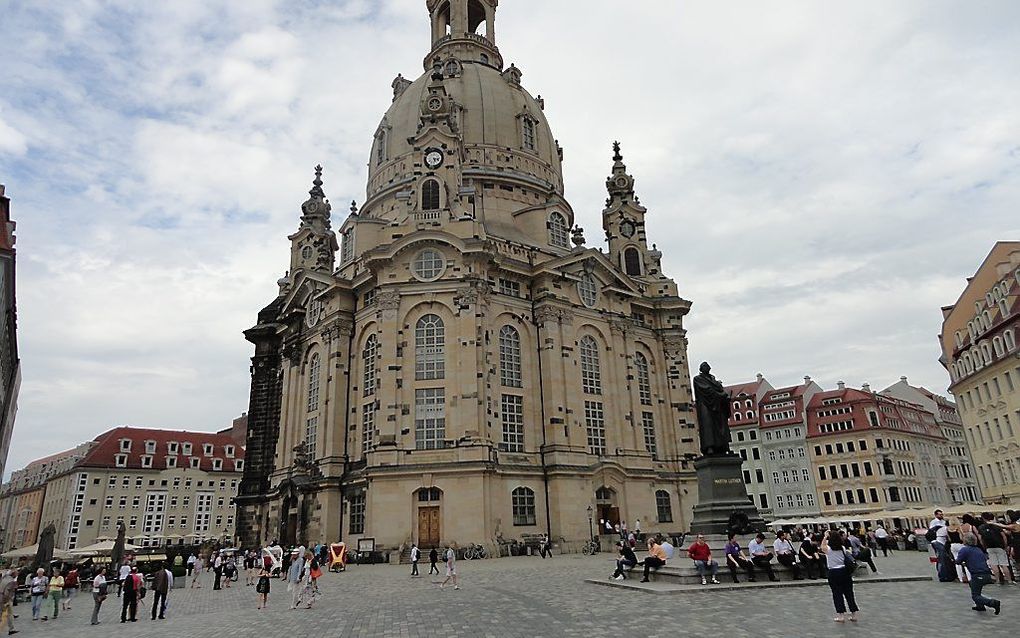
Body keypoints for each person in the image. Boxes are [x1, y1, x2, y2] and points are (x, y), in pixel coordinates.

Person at [955, 532, 1001, 614]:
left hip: (977, 575)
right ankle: (980, 606)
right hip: (986, 574)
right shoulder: (978, 549)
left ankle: (992, 603)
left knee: (975, 596)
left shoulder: (964, 550)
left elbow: (958, 561)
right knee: (972, 584)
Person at [820, 530, 859, 623]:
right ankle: (853, 614)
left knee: (837, 594)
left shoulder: (828, 549)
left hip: (833, 572)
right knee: (849, 593)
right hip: (844, 571)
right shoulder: (842, 548)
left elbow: (822, 547)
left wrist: (825, 537)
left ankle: (841, 616)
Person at [928, 509, 951, 581]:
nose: (941, 515)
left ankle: (947, 573)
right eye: (939, 514)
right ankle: (941, 574)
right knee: (940, 558)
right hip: (937, 541)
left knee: (945, 558)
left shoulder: (944, 522)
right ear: (936, 515)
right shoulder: (933, 522)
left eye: (942, 514)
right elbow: (931, 532)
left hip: (945, 541)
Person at [1, 568, 19, 635]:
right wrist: (7, 601)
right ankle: (11, 629)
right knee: (9, 614)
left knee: (8, 614)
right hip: (5, 599)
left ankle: (11, 628)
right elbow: (6, 592)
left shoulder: (3, 579)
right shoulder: (11, 581)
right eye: (16, 573)